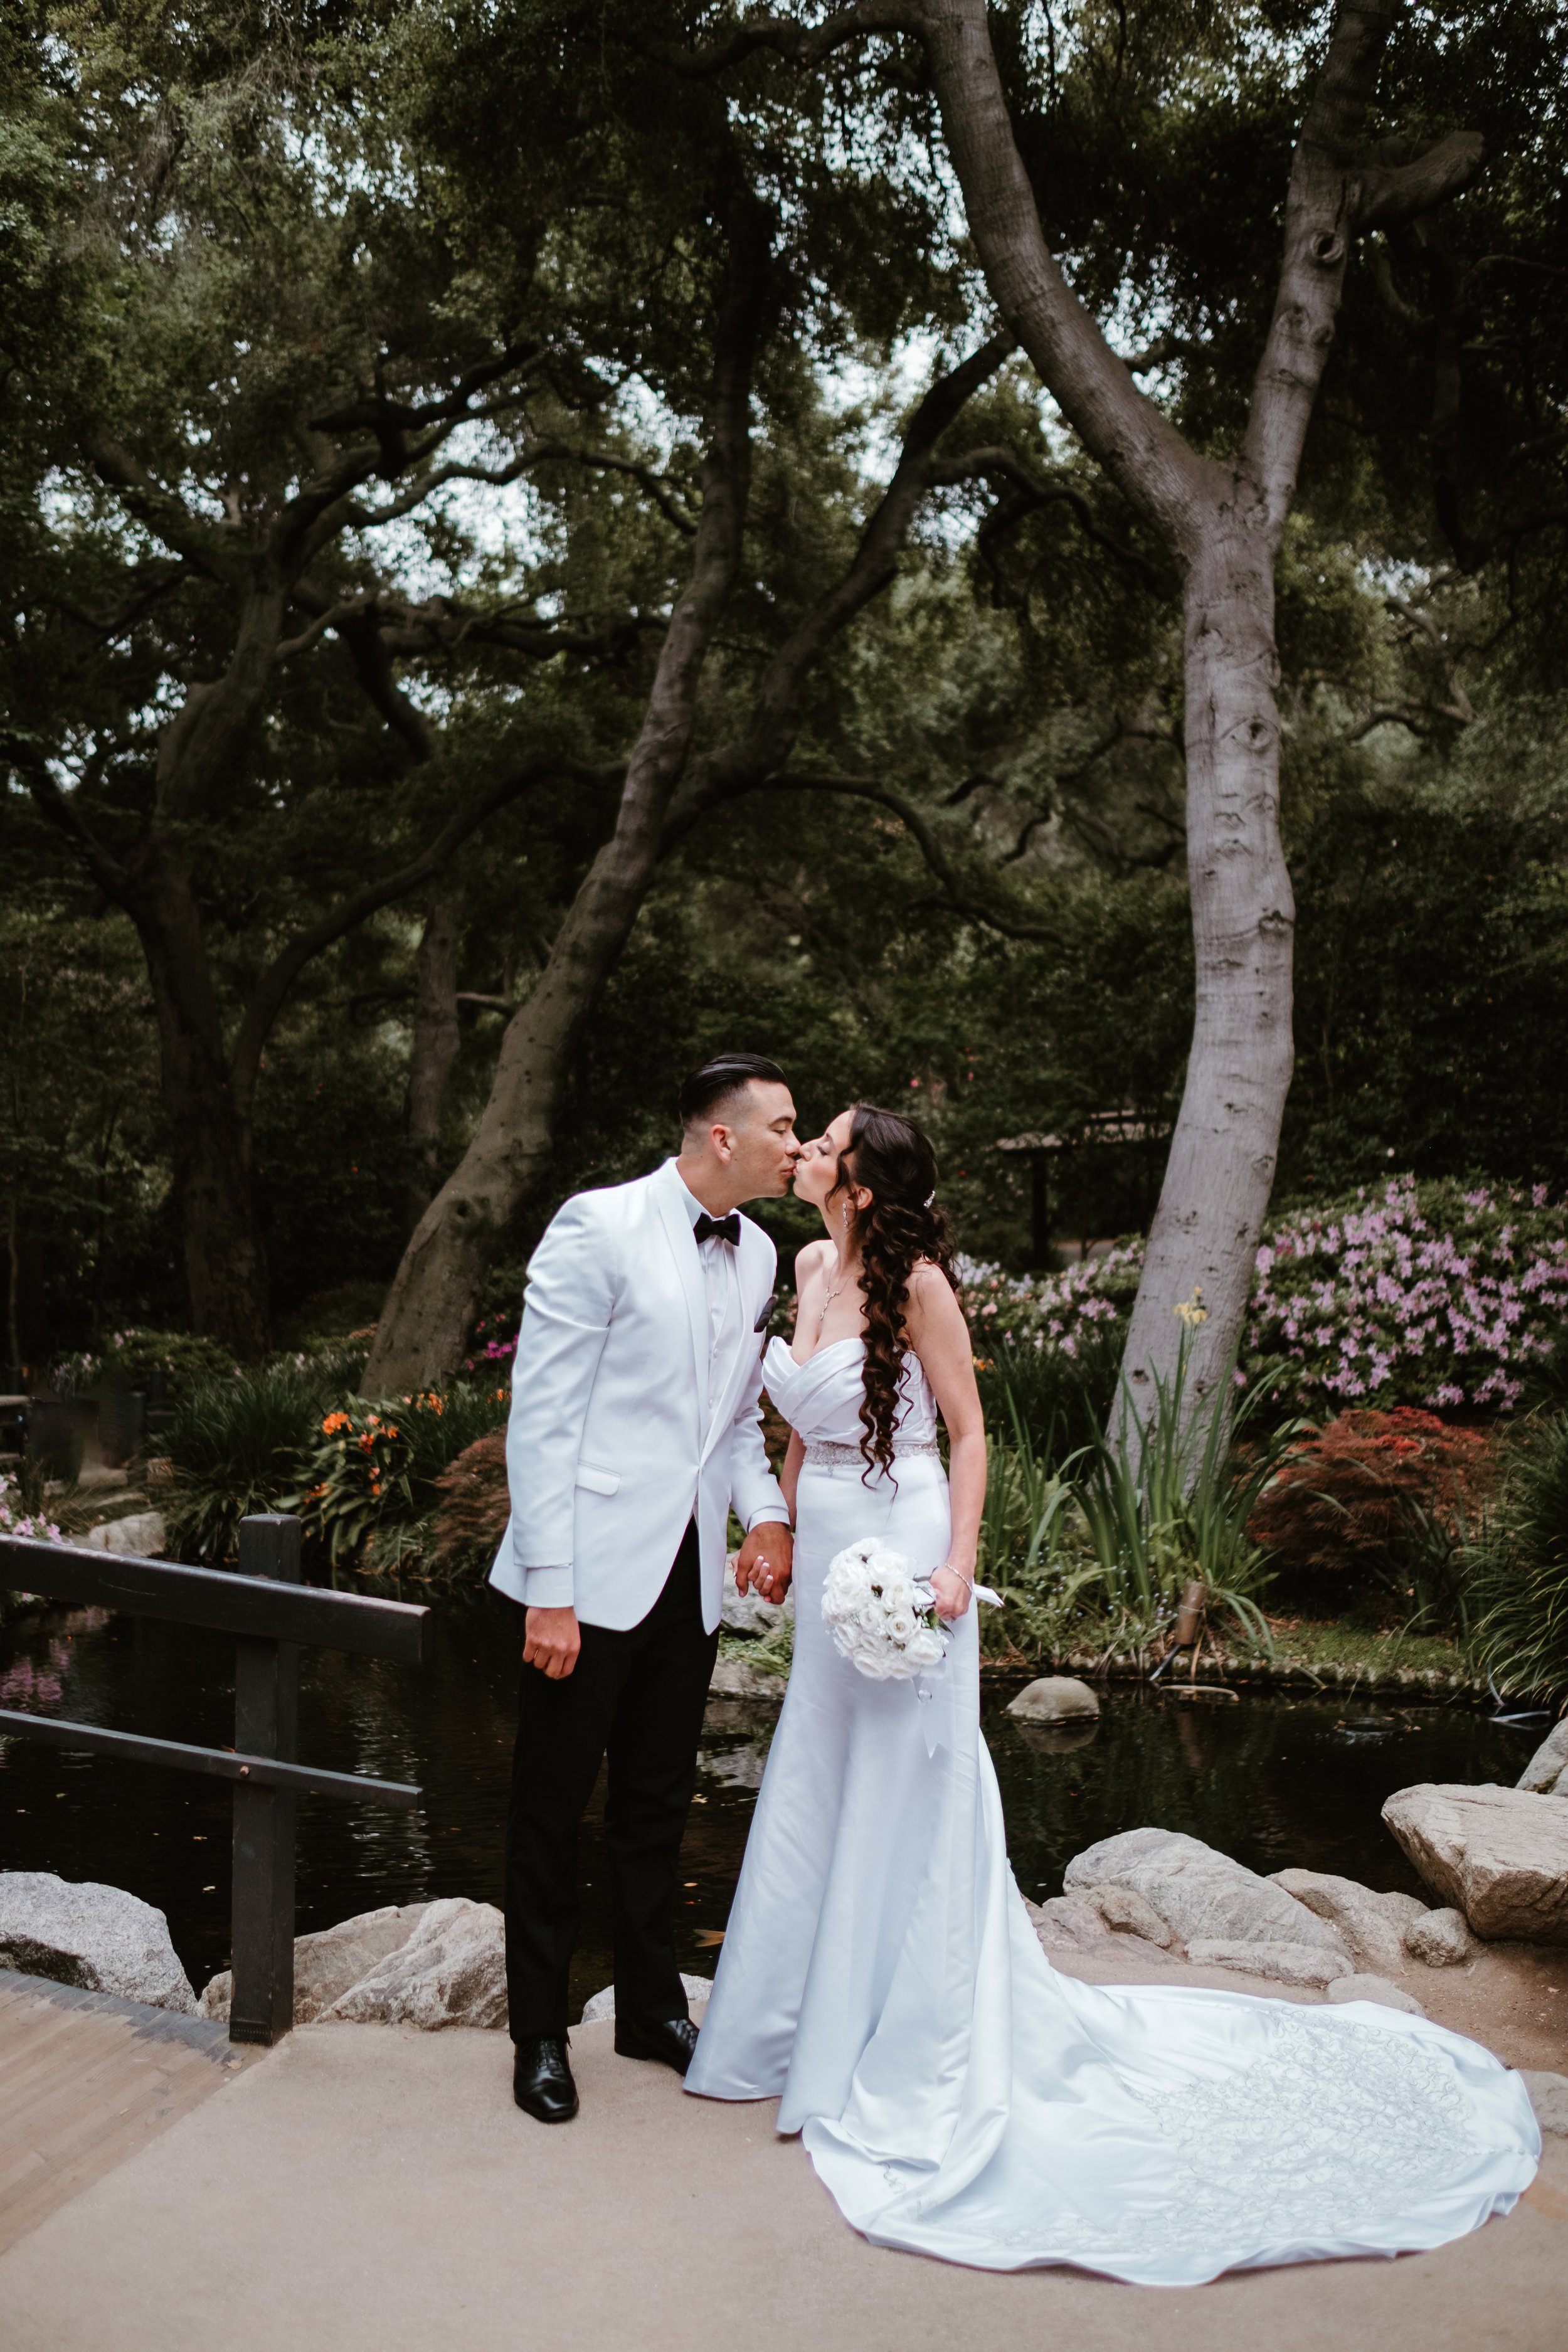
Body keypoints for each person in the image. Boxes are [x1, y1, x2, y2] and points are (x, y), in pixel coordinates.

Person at [686, 1101, 1540, 2284]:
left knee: (906, 1784)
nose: (807, 1151)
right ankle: (797, 2027)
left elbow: (971, 1431)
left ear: (864, 1184)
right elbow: (800, 1424)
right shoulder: (812, 1261)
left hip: (907, 1537)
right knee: (818, 1774)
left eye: (823, 1141)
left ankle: (894, 2039)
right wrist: (778, 1520)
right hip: (830, 1543)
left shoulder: (919, 1281)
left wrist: (955, 1564)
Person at [489, 1051, 799, 2122]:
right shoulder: (599, 1225)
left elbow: (731, 1420)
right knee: (550, 1808)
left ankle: (648, 2008)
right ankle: (538, 2033)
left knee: (659, 1805)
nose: (796, 1146)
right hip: (586, 1575)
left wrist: (765, 1510)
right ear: (723, 1135)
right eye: (783, 1127)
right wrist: (549, 1588)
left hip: (690, 1579)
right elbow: (543, 1416)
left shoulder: (760, 1253)